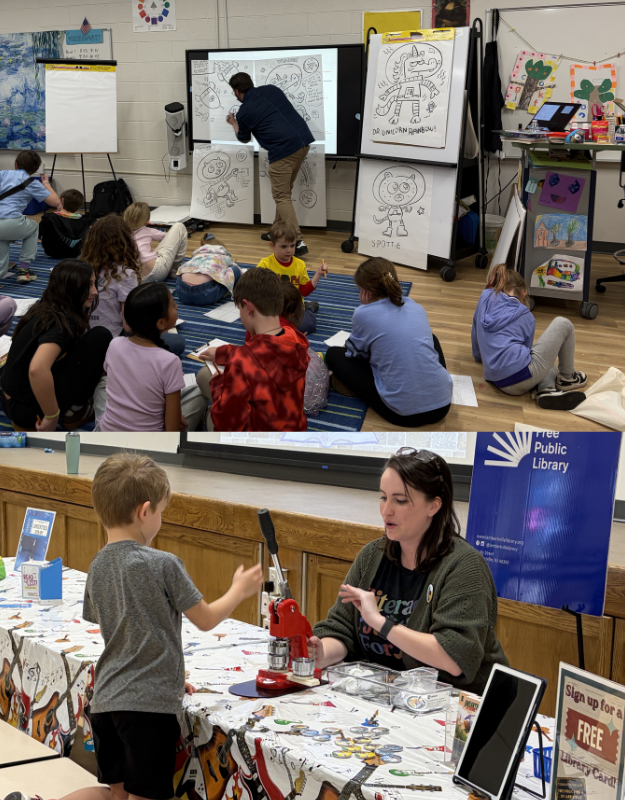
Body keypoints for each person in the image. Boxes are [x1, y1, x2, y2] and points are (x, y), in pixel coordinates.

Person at [78, 454, 262, 800]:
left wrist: (166, 670)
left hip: (105, 703)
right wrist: (239, 590)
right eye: (162, 511)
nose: (160, 518)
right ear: (144, 512)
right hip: (147, 711)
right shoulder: (162, 564)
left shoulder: (97, 565)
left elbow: (122, 631)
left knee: (116, 793)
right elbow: (205, 619)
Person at [310, 447, 508, 695]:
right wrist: (320, 653)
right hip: (393, 702)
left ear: (434, 506)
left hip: (461, 710)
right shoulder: (372, 555)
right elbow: (341, 629)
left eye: (400, 500)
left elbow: (455, 659)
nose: (386, 510)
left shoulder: (464, 566)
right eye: (383, 497)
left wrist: (380, 622)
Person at [325, 257, 452, 428]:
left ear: (365, 291)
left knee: (333, 354)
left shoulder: (363, 313)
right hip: (443, 405)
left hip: (403, 415)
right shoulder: (415, 306)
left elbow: (355, 354)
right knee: (432, 338)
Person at [0, 259, 111, 432]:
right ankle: (74, 410)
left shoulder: (43, 308)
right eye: (88, 285)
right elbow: (37, 369)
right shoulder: (63, 322)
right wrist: (51, 416)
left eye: (94, 284)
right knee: (100, 336)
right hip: (28, 412)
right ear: (72, 288)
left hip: (8, 400)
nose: (95, 291)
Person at [196, 268, 310, 431]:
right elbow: (263, 354)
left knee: (211, 414)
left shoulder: (240, 365)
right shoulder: (295, 339)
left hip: (256, 446)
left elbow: (226, 424)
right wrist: (223, 352)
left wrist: (218, 383)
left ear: (248, 308)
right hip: (293, 431)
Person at [472, 263, 588, 410]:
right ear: (524, 293)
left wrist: (479, 357)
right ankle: (568, 378)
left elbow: (476, 331)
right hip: (519, 379)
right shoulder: (526, 315)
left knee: (547, 362)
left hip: (494, 378)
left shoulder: (484, 297)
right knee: (563, 323)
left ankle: (547, 390)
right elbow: (529, 354)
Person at [96, 284, 208, 432]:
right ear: (161, 323)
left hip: (108, 432)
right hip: (148, 444)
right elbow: (172, 430)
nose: (176, 306)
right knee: (199, 392)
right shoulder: (169, 361)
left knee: (103, 385)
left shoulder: (115, 343)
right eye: (173, 304)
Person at [226, 71, 314, 256]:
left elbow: (243, 137)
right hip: (303, 143)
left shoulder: (245, 111)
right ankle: (276, 232)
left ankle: (296, 241)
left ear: (236, 91)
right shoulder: (272, 90)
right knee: (284, 193)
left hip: (283, 151)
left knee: (281, 196)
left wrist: (234, 122)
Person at [83, 215, 185, 356]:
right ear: (125, 241)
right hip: (112, 342)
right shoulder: (125, 274)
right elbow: (129, 325)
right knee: (178, 342)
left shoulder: (83, 269)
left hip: (84, 338)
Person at [0, 151, 59, 284]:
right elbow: (55, 202)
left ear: (15, 164)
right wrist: (46, 184)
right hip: (10, 222)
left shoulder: (3, 173)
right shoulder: (31, 183)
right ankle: (24, 270)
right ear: (35, 169)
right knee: (33, 227)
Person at [256, 222, 326, 335]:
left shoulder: (300, 264)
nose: (289, 250)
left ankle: (307, 309)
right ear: (272, 246)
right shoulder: (265, 264)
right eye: (284, 246)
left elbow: (304, 291)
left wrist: (317, 274)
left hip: (293, 309)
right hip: (273, 308)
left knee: (308, 324)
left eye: (292, 245)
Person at [123, 202, 188, 283]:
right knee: (179, 227)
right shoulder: (147, 231)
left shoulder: (121, 235)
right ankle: (174, 269)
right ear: (146, 221)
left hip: (138, 279)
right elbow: (169, 238)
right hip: (157, 272)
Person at [175, 233, 242, 306]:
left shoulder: (196, 255)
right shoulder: (225, 256)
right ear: (222, 248)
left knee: (183, 271)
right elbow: (237, 271)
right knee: (235, 269)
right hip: (205, 295)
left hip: (182, 292)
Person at [38, 189, 92, 260]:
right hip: (76, 252)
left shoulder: (48, 218)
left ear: (62, 201)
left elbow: (39, 235)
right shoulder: (84, 220)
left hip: (53, 252)